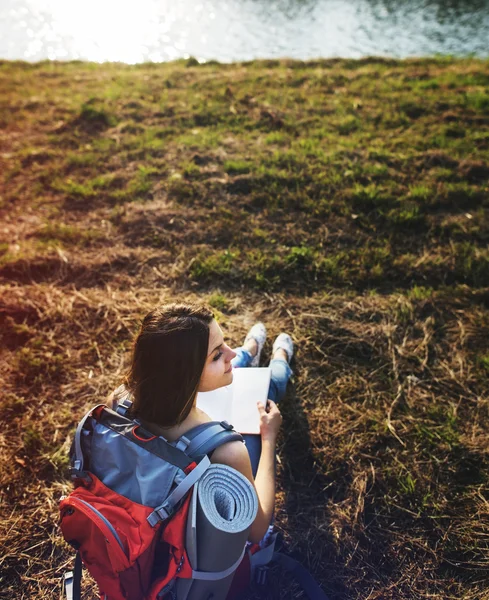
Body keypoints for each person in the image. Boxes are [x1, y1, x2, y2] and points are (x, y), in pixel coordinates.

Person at [108, 302, 294, 546]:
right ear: (184, 375)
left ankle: (251, 349)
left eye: (224, 345)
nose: (230, 353)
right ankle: (280, 359)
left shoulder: (119, 402)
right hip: (192, 556)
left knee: (236, 368)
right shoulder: (227, 452)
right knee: (269, 385)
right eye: (218, 354)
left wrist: (217, 358)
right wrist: (269, 438)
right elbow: (257, 530)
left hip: (140, 529)